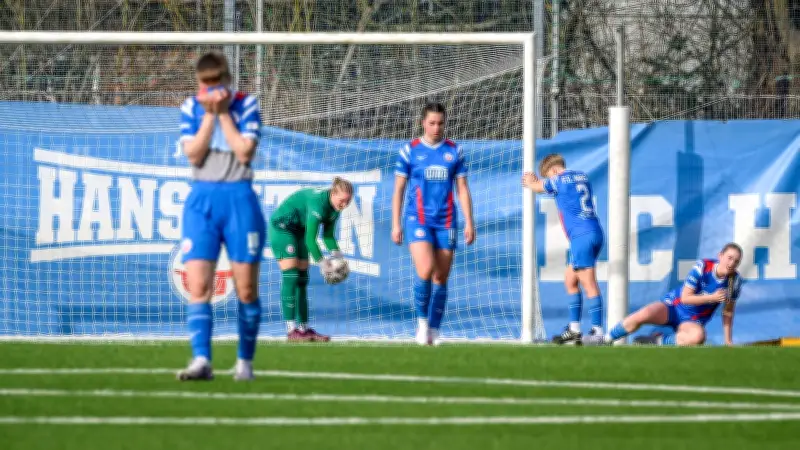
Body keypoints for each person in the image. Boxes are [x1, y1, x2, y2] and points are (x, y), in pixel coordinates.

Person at [176, 51, 264, 381]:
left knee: (246, 290)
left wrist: (224, 114)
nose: (211, 89)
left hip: (239, 199)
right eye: (205, 83)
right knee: (198, 284)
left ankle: (244, 362)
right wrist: (209, 116)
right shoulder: (190, 107)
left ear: (227, 79)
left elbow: (244, 151)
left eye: (217, 82)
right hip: (202, 200)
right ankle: (202, 361)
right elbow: (194, 155)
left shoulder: (247, 104)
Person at [391, 102, 476, 346]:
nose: (436, 127)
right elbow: (398, 190)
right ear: (423, 123)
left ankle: (435, 331)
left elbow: (462, 188)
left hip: (447, 221)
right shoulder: (410, 150)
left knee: (441, 277)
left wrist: (469, 221)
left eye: (440, 123)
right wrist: (395, 224)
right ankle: (421, 325)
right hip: (417, 219)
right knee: (425, 269)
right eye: (432, 123)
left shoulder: (454, 151)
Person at [591, 243, 743, 346]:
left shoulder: (734, 281)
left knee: (698, 337)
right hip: (674, 307)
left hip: (692, 320)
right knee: (644, 313)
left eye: (736, 261)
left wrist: (728, 341)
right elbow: (685, 298)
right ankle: (605, 340)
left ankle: (659, 340)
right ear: (720, 255)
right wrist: (711, 298)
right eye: (729, 258)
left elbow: (728, 311)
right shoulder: (703, 266)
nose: (731, 264)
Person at [522, 154, 605, 345]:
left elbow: (538, 187)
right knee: (570, 279)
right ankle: (574, 329)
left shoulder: (558, 180)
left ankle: (598, 332)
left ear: (553, 171)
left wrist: (530, 181)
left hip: (581, 236)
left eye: (549, 175)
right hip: (594, 231)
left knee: (588, 282)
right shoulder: (582, 176)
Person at [269, 178, 354, 342]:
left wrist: (338, 257)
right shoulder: (318, 203)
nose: (344, 204)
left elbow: (328, 236)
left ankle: (303, 329)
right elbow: (311, 240)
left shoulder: (335, 208)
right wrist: (324, 265)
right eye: (342, 200)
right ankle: (291, 329)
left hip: (299, 231)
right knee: (291, 276)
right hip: (282, 228)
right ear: (332, 193)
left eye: (348, 201)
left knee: (302, 280)